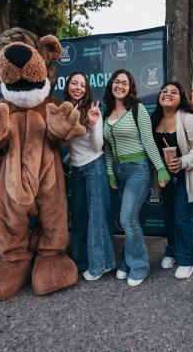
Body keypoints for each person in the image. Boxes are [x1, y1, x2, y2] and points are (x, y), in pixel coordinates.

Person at [103, 69, 170, 287]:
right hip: (120, 171)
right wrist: (111, 173)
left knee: (127, 220)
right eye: (116, 81)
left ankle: (139, 267)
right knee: (130, 220)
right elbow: (108, 149)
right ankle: (125, 262)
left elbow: (149, 141)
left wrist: (160, 168)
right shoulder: (106, 112)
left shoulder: (137, 109)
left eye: (124, 82)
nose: (119, 85)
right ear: (111, 85)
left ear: (130, 87)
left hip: (138, 170)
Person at [151, 82, 193, 279]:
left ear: (181, 98)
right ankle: (172, 250)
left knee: (182, 217)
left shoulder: (188, 120)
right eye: (164, 91)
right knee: (169, 216)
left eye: (173, 92)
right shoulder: (156, 119)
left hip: (188, 176)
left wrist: (183, 161)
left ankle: (187, 259)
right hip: (167, 178)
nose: (167, 94)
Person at [64, 72, 115, 281]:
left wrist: (93, 123)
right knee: (78, 218)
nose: (78, 87)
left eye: (82, 85)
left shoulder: (92, 109)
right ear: (67, 86)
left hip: (95, 167)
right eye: (74, 83)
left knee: (97, 217)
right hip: (76, 170)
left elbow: (96, 146)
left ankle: (101, 264)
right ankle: (79, 262)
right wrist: (66, 160)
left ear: (87, 89)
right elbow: (71, 145)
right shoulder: (63, 111)